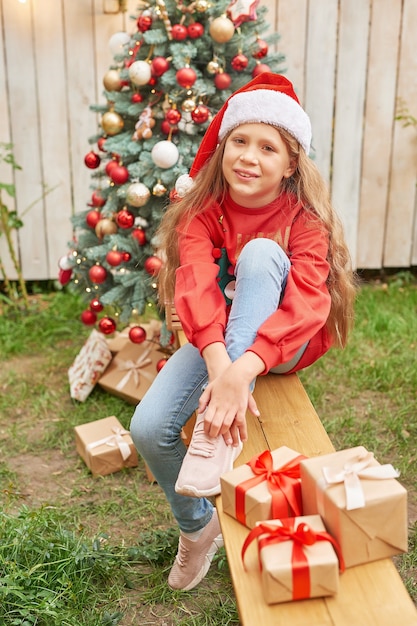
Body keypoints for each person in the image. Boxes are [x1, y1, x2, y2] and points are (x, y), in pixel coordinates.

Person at [130, 72, 356, 592]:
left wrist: (241, 372)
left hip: (279, 346)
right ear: (224, 144)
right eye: (239, 141)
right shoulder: (202, 214)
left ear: (291, 162)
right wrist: (219, 370)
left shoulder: (304, 219)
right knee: (147, 427)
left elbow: (307, 302)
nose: (249, 157)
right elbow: (195, 287)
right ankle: (197, 527)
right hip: (223, 344)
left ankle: (215, 432)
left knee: (259, 255)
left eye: (268, 147)